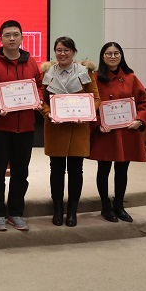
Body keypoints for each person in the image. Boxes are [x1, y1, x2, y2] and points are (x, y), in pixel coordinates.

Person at [0, 20, 43, 232]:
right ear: (0, 38)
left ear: (22, 37)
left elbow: (39, 86)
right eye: (7, 35)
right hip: (0, 128)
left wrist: (38, 99)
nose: (12, 38)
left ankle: (15, 212)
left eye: (15, 34)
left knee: (20, 173)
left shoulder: (31, 62)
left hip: (25, 129)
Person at [40, 36, 100, 227]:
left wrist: (87, 113)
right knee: (56, 170)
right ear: (54, 52)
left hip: (78, 127)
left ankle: (72, 210)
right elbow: (41, 100)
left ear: (74, 52)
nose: (62, 53)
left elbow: (96, 99)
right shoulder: (47, 73)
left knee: (76, 170)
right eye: (59, 50)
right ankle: (57, 209)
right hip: (55, 128)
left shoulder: (85, 72)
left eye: (66, 50)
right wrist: (49, 113)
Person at [89, 42, 146, 223]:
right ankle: (105, 206)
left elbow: (143, 103)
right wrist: (98, 123)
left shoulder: (131, 77)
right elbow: (89, 104)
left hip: (126, 131)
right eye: (109, 53)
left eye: (116, 53)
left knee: (122, 170)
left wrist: (139, 120)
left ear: (121, 56)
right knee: (104, 169)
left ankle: (119, 205)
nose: (113, 56)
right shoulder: (94, 78)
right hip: (105, 132)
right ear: (102, 56)